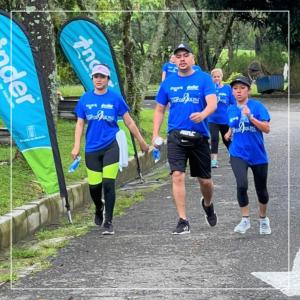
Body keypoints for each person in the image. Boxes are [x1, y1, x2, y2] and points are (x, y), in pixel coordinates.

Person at [72, 64, 149, 235]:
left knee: (108, 183)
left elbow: (129, 122)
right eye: (96, 76)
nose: (99, 80)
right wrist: (76, 145)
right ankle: (99, 207)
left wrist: (142, 142)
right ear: (92, 79)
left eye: (102, 77)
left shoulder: (115, 98)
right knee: (94, 187)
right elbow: (79, 123)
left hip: (111, 145)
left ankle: (109, 221)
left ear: (108, 79)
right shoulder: (85, 99)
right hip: (91, 148)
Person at [152, 43, 218, 234]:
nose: (182, 59)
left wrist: (203, 114)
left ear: (192, 58)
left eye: (185, 55)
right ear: (174, 60)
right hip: (175, 136)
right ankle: (183, 220)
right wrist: (155, 134)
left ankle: (208, 203)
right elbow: (159, 109)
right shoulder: (168, 82)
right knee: (177, 175)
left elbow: (212, 103)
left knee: (205, 181)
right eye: (178, 56)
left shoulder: (204, 79)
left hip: (199, 136)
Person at [224, 75, 271, 235]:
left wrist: (251, 117)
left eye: (242, 88)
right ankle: (245, 220)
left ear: (248, 90)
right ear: (232, 91)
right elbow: (233, 124)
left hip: (258, 154)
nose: (238, 91)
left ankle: (263, 219)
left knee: (261, 190)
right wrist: (229, 132)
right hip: (238, 153)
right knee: (242, 184)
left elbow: (266, 128)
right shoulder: (230, 108)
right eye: (235, 89)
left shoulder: (257, 106)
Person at [208, 68, 236, 168]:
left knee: (227, 139)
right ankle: (214, 160)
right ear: (212, 78)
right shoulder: (209, 88)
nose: (216, 78)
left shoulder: (227, 88)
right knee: (214, 139)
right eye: (214, 77)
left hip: (225, 119)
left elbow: (233, 103)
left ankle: (234, 156)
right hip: (212, 119)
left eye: (218, 76)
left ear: (221, 77)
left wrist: (234, 114)